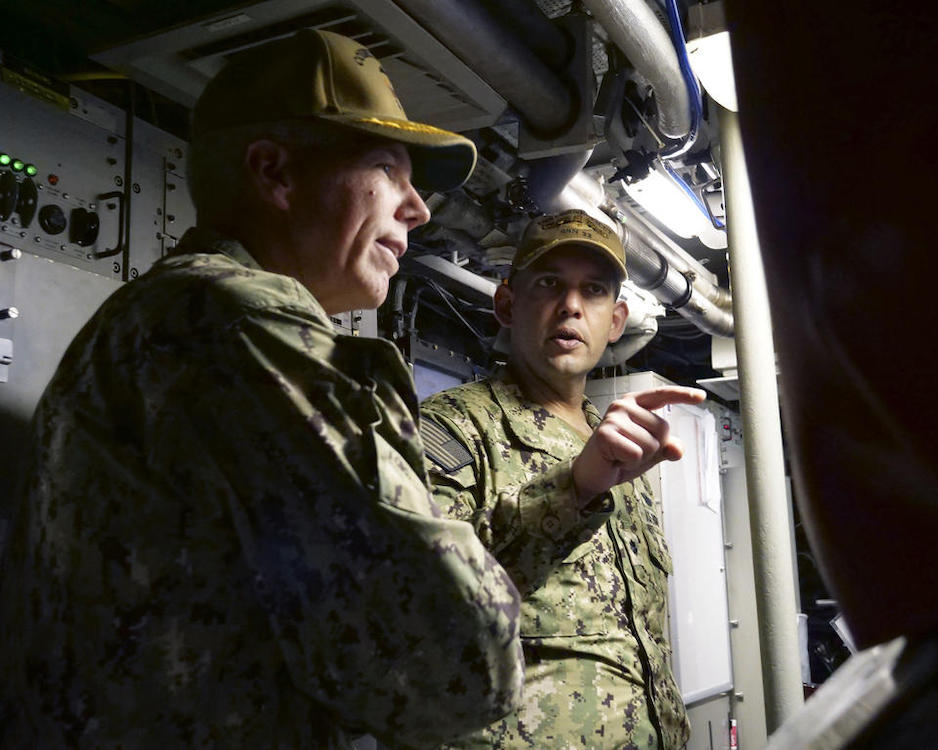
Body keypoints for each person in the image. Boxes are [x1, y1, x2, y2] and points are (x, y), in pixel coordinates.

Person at [0, 30, 524, 749]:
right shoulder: (241, 321)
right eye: (387, 169)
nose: (419, 209)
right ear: (275, 173)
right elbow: (464, 664)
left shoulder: (163, 318)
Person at [420, 209, 706, 749]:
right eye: (550, 283)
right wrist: (574, 490)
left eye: (593, 291)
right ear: (507, 304)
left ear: (616, 321)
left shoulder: (620, 449)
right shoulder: (452, 427)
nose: (571, 305)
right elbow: (429, 603)